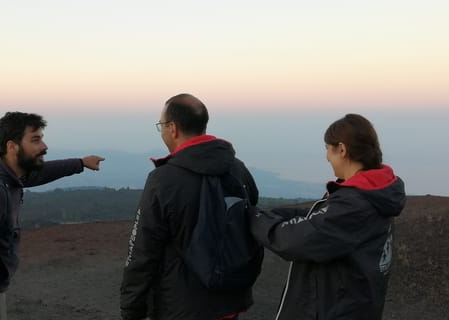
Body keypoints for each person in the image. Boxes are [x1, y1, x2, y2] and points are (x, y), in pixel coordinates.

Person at [0, 111, 105, 320]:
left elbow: (37, 174)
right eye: (35, 140)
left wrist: (80, 163)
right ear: (12, 146)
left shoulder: (4, 171)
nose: (44, 146)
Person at [249, 113, 406, 320]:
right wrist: (275, 214)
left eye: (327, 149)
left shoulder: (354, 206)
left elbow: (295, 241)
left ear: (342, 149)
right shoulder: (374, 193)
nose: (326, 157)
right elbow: (318, 218)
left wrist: (253, 218)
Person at [120, 93, 261, 320]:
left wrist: (131, 310)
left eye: (161, 125)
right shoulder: (237, 169)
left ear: (173, 128)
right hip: (231, 302)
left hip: (182, 306)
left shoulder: (163, 180)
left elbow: (143, 252)